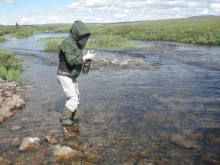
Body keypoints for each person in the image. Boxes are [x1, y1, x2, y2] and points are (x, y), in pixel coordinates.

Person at [57, 20, 96, 126]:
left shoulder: (75, 44)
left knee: (77, 96)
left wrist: (85, 59)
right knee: (73, 97)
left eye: (83, 36)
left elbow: (77, 58)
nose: (81, 37)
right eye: (80, 35)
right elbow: (71, 61)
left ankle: (74, 117)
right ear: (75, 32)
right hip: (64, 74)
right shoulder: (66, 43)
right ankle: (65, 119)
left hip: (71, 74)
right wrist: (84, 58)